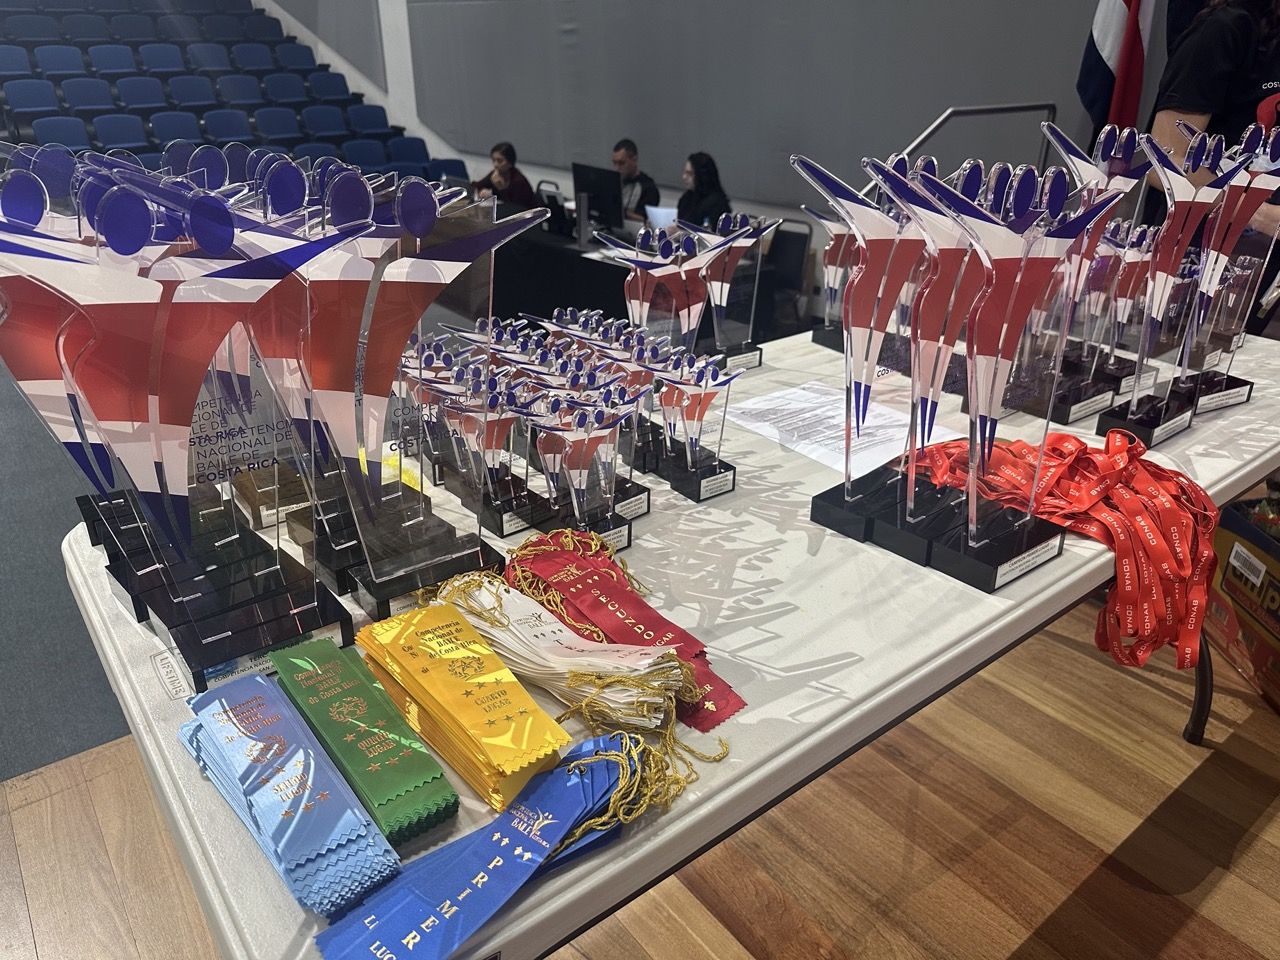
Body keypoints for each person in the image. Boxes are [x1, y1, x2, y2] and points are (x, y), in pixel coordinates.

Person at [1148, 0, 1280, 332]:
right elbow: (1164, 162)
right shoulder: (1226, 28)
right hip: (1195, 258)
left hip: (1264, 271)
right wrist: (1262, 216)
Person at [472, 141, 536, 208]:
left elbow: (514, 206)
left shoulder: (518, 180)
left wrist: (500, 188)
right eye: (493, 160)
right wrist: (482, 191)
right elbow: (477, 185)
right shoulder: (496, 174)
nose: (495, 165)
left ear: (510, 162)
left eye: (500, 161)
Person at [676, 152, 731, 228]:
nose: (684, 177)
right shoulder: (687, 198)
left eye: (690, 173)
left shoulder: (717, 204)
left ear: (702, 176)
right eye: (685, 172)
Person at [611, 138, 659, 222]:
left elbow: (646, 221)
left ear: (634, 160)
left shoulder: (648, 188)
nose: (616, 168)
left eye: (621, 163)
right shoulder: (612, 182)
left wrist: (622, 212)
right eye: (614, 163)